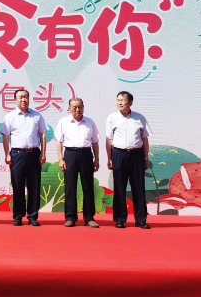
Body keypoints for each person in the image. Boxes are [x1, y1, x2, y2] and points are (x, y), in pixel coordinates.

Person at [1, 89, 47, 226]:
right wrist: (7, 154)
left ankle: (33, 216)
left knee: (34, 186)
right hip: (17, 154)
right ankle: (18, 216)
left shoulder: (37, 116)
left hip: (34, 154)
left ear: (29, 99)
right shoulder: (10, 116)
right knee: (18, 185)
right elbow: (5, 137)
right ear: (15, 100)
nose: (23, 100)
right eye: (20, 97)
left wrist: (43, 153)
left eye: (26, 97)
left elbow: (43, 135)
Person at [106, 91, 152, 229]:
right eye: (118, 100)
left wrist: (146, 157)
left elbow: (144, 139)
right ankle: (120, 219)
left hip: (137, 155)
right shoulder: (112, 118)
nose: (119, 102)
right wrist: (109, 158)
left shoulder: (139, 118)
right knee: (119, 187)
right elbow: (109, 139)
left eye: (122, 100)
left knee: (138, 187)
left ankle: (141, 220)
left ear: (130, 103)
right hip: (119, 154)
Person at [55, 98, 101, 228]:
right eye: (74, 107)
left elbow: (95, 142)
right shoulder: (63, 122)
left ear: (83, 107)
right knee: (70, 187)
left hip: (86, 154)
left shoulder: (90, 122)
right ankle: (70, 217)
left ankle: (89, 218)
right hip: (70, 154)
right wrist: (61, 159)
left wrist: (97, 159)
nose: (77, 110)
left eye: (80, 107)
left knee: (88, 187)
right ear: (69, 108)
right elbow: (59, 141)